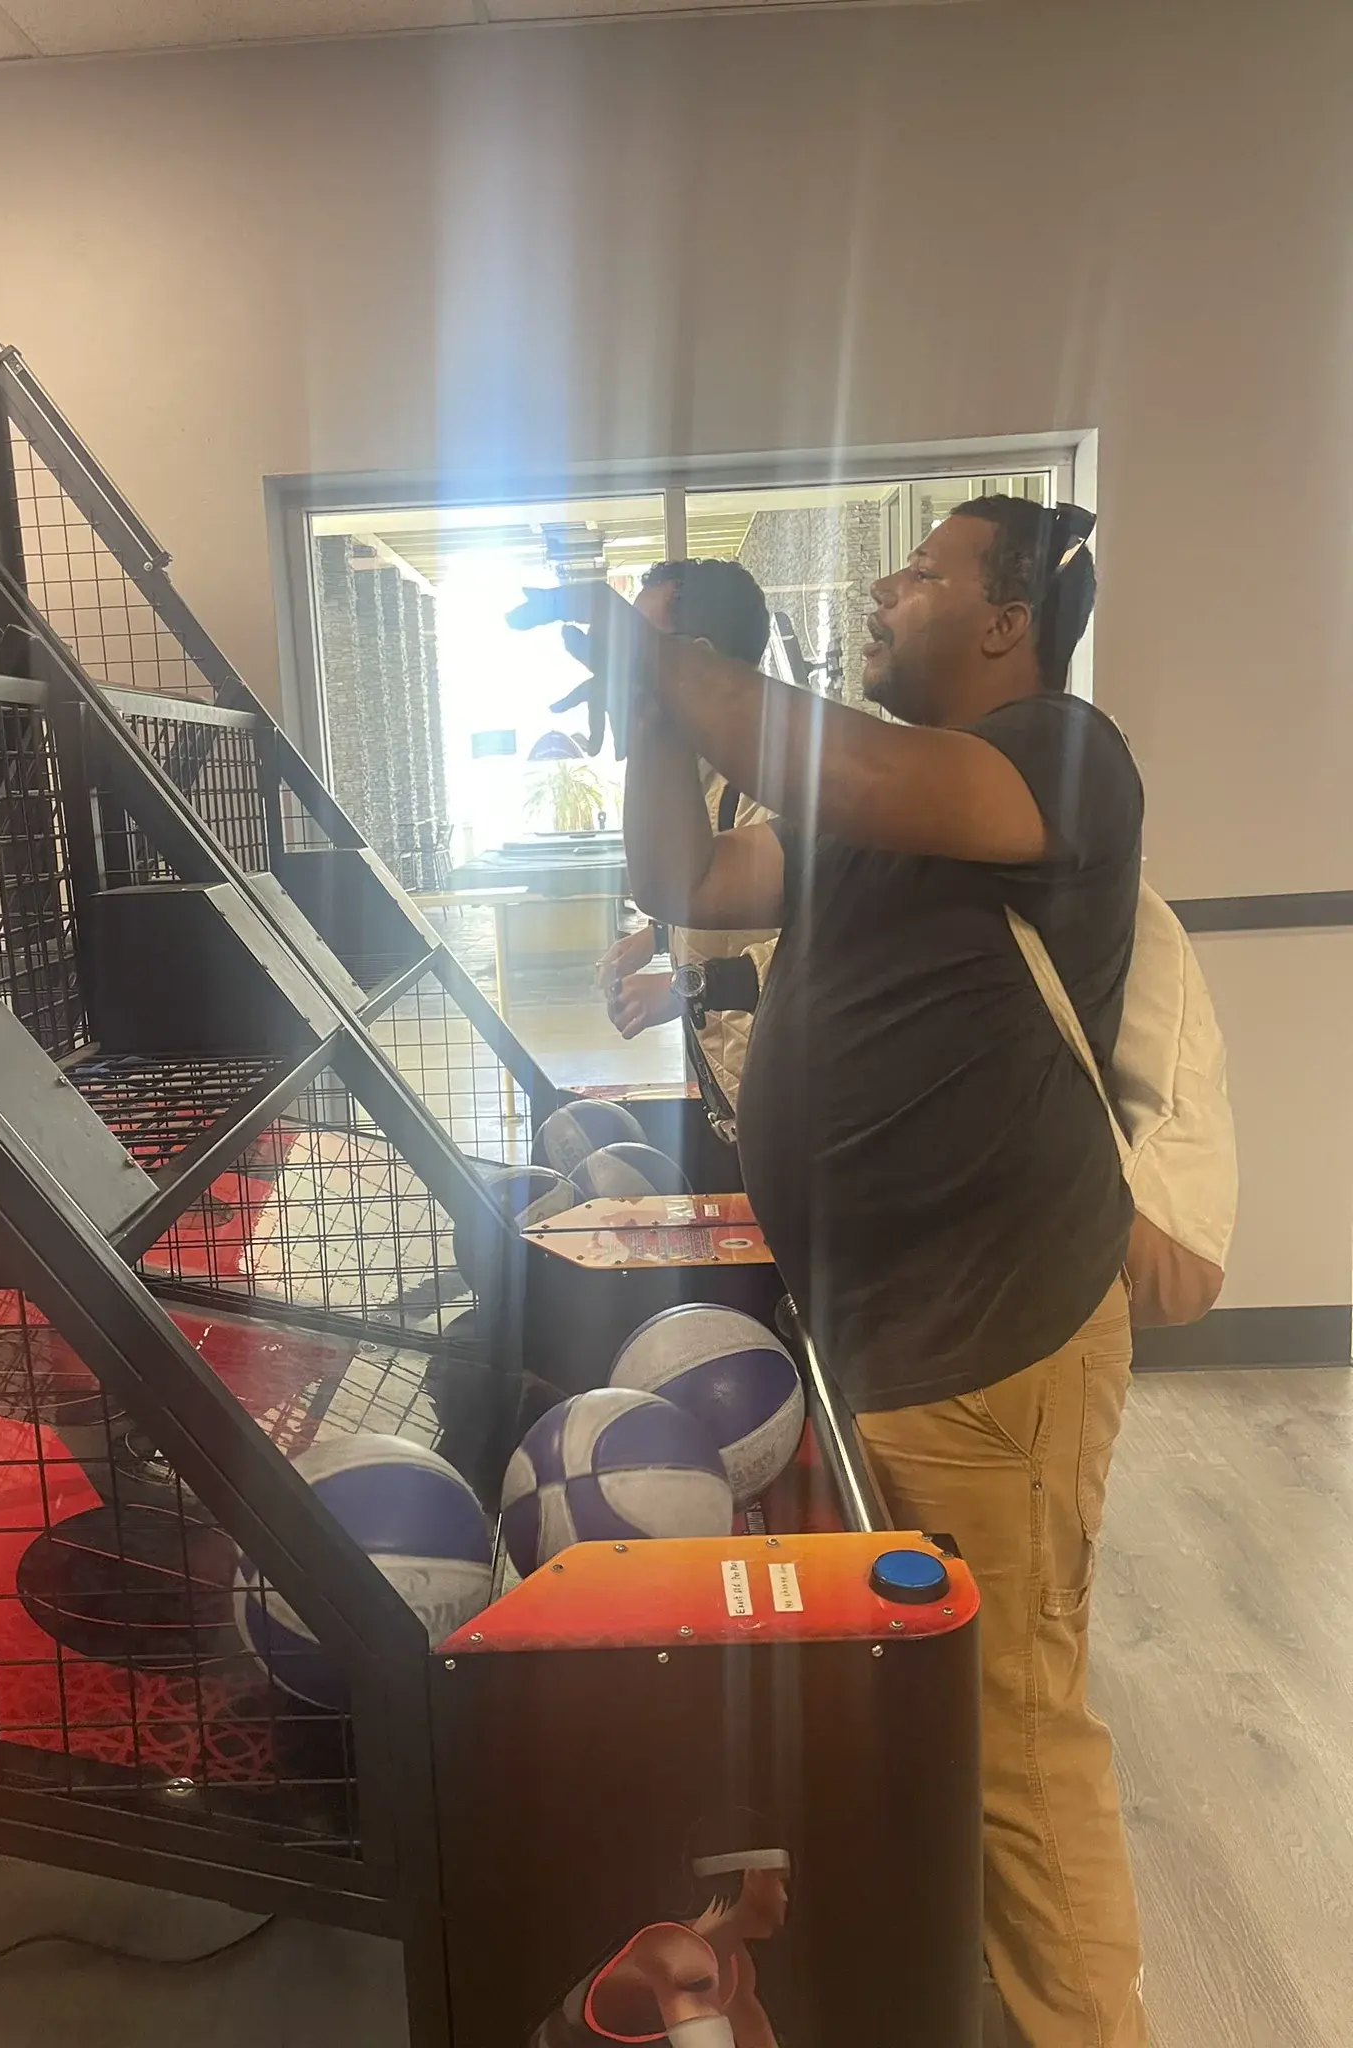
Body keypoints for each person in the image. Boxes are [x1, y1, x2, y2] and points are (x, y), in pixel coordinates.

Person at [511, 497, 1146, 2048]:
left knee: (1016, 1739)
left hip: (996, 1335)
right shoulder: (863, 812)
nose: (883, 588)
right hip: (888, 1334)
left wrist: (669, 659)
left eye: (922, 573)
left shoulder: (1062, 752)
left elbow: (848, 765)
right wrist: (655, 722)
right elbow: (685, 875)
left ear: (1006, 623)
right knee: (937, 1709)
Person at [588, 559, 777, 1106]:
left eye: (640, 645)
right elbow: (732, 898)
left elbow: (818, 952)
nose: (621, 664)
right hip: (741, 1088)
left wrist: (682, 989)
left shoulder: (768, 781)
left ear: (699, 658)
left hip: (791, 1093)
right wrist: (657, 938)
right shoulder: (700, 768)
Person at [531, 1818, 792, 2048]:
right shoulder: (677, 1953)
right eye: (780, 1880)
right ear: (752, 1877)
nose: (785, 1897)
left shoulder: (735, 1967)